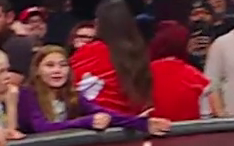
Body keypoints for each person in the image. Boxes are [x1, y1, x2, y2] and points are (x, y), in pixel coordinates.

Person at [16, 44, 152, 135]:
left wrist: (142, 123)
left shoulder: (73, 95)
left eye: (63, 65)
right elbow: (42, 128)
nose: (57, 70)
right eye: (50, 65)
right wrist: (87, 122)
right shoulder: (27, 94)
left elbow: (105, 113)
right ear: (37, 71)